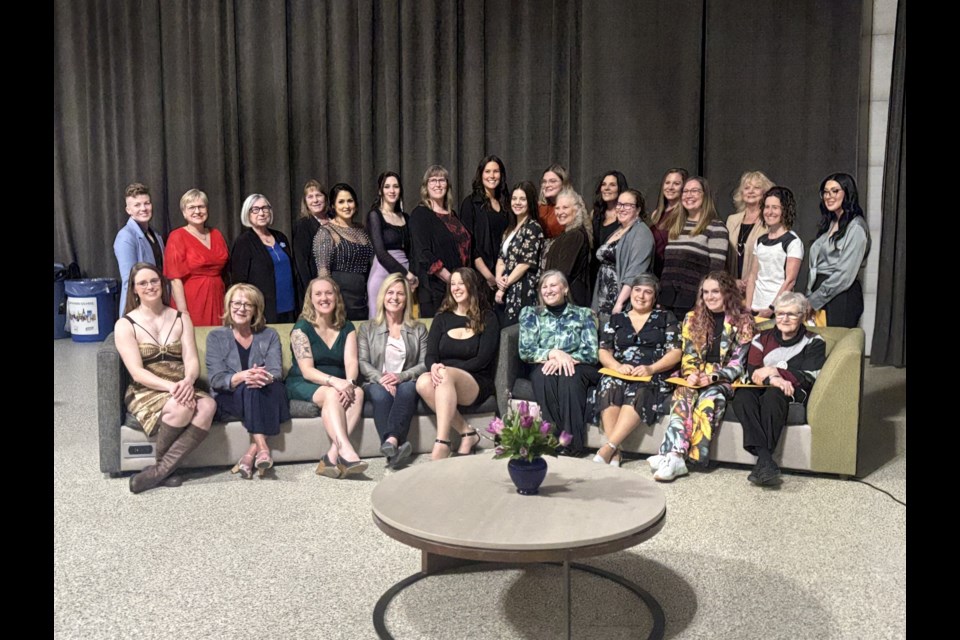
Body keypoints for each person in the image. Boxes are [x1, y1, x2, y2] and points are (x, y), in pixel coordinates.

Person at [114, 263, 216, 493]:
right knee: (181, 408)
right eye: (143, 283)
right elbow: (136, 372)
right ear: (134, 290)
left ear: (162, 283)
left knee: (208, 405)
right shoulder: (125, 324)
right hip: (146, 389)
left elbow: (191, 361)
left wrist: (188, 382)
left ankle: (159, 471)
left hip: (181, 384)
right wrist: (171, 388)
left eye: (154, 281)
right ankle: (166, 470)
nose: (150, 286)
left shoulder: (181, 318)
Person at [650, 271, 755, 481]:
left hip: (724, 378)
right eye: (705, 292)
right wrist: (691, 374)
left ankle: (688, 457)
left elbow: (739, 362)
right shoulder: (692, 318)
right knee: (683, 393)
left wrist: (714, 377)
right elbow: (689, 353)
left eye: (715, 291)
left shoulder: (744, 320)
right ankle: (674, 455)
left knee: (709, 399)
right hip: (697, 373)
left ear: (727, 292)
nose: (710, 296)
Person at [732, 292, 826, 485]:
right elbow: (752, 372)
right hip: (764, 386)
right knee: (742, 395)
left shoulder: (814, 341)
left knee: (774, 395)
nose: (784, 319)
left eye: (792, 314)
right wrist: (774, 378)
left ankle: (763, 459)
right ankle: (765, 459)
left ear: (802, 316)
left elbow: (809, 376)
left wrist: (773, 370)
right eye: (780, 313)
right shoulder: (761, 338)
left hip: (792, 391)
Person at [593, 274, 682, 466]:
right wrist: (617, 366)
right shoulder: (617, 319)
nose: (641, 296)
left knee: (639, 390)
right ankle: (615, 451)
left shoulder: (666, 318)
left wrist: (651, 368)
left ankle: (608, 448)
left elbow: (675, 352)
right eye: (637, 290)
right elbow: (603, 350)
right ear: (630, 292)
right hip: (620, 371)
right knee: (609, 384)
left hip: (652, 373)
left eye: (648, 292)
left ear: (655, 297)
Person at [286, 277, 368, 478]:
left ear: (336, 297)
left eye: (329, 293)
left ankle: (331, 456)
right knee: (332, 394)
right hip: (304, 381)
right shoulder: (300, 329)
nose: (324, 298)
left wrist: (349, 383)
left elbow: (351, 363)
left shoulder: (346, 327)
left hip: (338, 383)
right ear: (310, 299)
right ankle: (346, 450)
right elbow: (307, 370)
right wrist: (335, 382)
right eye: (318, 294)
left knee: (357, 392)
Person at [206, 284, 289, 479]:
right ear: (228, 306)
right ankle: (262, 448)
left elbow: (276, 371)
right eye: (236, 303)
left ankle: (251, 454)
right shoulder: (216, 337)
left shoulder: (269, 335)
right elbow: (217, 379)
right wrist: (244, 376)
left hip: (263, 389)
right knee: (250, 388)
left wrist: (261, 377)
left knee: (263, 389)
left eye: (247, 304)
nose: (241, 309)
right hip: (230, 396)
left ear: (256, 310)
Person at [416, 268, 500, 460]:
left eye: (461, 283)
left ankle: (442, 441)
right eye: (452, 284)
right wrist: (434, 367)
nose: (456, 288)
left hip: (475, 380)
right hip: (444, 379)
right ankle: (467, 433)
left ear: (472, 286)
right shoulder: (442, 318)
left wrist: (446, 370)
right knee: (422, 381)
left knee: (444, 376)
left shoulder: (488, 317)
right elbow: (430, 355)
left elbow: (482, 360)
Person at [518, 270, 599, 456]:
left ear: (565, 289)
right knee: (543, 375)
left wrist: (566, 359)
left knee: (569, 375)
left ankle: (573, 443)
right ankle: (553, 440)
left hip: (579, 365)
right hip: (545, 364)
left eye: (553, 285)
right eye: (544, 287)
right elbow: (526, 350)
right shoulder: (531, 314)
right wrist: (553, 353)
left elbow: (591, 352)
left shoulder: (584, 314)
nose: (548, 290)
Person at [358, 274, 428, 468]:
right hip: (375, 382)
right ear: (383, 296)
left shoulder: (419, 329)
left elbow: (424, 364)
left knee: (407, 390)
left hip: (407, 381)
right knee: (380, 395)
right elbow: (363, 362)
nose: (395, 298)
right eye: (390, 292)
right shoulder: (367, 328)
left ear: (407, 298)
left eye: (400, 293)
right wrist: (382, 379)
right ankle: (395, 443)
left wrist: (400, 377)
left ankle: (391, 445)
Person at [807, 172, 871, 328]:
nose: (829, 196)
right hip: (820, 292)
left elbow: (844, 275)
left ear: (847, 193)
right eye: (826, 192)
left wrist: (814, 300)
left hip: (841, 296)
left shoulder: (856, 227)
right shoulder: (829, 223)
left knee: (835, 346)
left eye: (835, 191)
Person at [658, 176, 728, 318]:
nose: (689, 195)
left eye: (695, 191)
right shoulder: (676, 226)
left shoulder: (716, 227)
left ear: (705, 195)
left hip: (693, 303)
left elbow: (715, 273)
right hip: (667, 300)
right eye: (685, 191)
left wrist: (702, 300)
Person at [408, 165, 473, 317]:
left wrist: (460, 284)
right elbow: (423, 254)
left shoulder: (453, 215)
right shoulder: (420, 214)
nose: (438, 184)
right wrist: (452, 280)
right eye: (433, 180)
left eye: (442, 180)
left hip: (459, 289)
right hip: (435, 290)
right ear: (426, 186)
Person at [163, 188, 229, 326]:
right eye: (191, 207)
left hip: (218, 297)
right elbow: (175, 280)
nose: (197, 211)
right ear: (184, 213)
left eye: (201, 207)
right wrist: (183, 312)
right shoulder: (177, 237)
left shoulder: (217, 234)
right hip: (192, 300)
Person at [230, 193, 297, 323]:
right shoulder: (243, 242)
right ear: (247, 214)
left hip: (288, 307)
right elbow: (239, 282)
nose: (261, 213)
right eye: (255, 210)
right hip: (262, 310)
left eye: (265, 208)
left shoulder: (280, 237)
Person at [592, 188, 654, 324]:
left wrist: (620, 303)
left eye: (627, 205)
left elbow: (635, 272)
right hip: (603, 298)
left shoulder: (642, 233)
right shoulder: (618, 230)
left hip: (620, 302)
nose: (621, 208)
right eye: (619, 204)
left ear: (638, 210)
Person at [312, 183, 374, 321]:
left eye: (350, 201)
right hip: (340, 298)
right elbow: (323, 272)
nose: (346, 206)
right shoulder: (326, 231)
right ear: (333, 206)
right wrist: (329, 300)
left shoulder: (362, 230)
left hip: (364, 297)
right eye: (341, 201)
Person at [744, 186, 803, 318]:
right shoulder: (760, 240)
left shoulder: (793, 242)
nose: (769, 212)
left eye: (775, 207)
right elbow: (753, 276)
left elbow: (790, 281)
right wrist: (748, 308)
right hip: (755, 308)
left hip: (778, 311)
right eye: (767, 207)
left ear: (785, 211)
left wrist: (771, 309)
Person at [365, 171, 418, 319]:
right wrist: (406, 274)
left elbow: (411, 250)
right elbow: (381, 254)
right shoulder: (375, 215)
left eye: (396, 186)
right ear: (380, 191)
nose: (392, 190)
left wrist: (411, 274)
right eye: (387, 186)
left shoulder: (405, 217)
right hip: (383, 272)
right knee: (379, 324)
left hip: (406, 274)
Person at [494, 181, 544, 326]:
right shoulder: (509, 229)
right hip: (505, 288)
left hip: (522, 290)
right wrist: (498, 279)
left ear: (530, 202)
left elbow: (525, 264)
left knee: (515, 333)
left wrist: (503, 286)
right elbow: (501, 259)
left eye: (522, 199)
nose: (517, 202)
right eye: (514, 199)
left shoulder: (533, 228)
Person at [460, 155, 510, 295]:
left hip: (506, 276)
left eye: (496, 171)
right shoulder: (470, 204)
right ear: (480, 175)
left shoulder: (507, 203)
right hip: (482, 277)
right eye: (487, 171)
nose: (492, 176)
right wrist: (489, 277)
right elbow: (470, 246)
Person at [113, 182, 166, 312]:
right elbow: (129, 282)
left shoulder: (155, 234)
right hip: (138, 310)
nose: (143, 208)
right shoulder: (125, 237)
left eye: (147, 203)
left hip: (157, 304)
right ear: (128, 210)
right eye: (137, 205)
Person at [541, 188, 592, 307]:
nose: (560, 212)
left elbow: (563, 273)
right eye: (557, 208)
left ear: (577, 210)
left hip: (569, 303)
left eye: (565, 207)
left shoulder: (575, 236)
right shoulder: (567, 234)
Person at [725, 171, 775, 287]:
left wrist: (751, 280)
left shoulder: (770, 221)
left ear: (765, 193)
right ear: (741, 193)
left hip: (760, 286)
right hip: (732, 288)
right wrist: (733, 281)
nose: (751, 191)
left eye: (756, 188)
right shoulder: (731, 220)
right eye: (747, 188)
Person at [648, 168, 689, 278]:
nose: (670, 187)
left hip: (671, 274)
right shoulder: (656, 214)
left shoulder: (687, 215)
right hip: (653, 272)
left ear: (684, 187)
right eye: (667, 183)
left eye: (676, 183)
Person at [292, 179, 329, 302]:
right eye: (310, 197)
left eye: (318, 195)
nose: (315, 200)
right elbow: (301, 262)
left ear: (325, 198)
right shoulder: (303, 225)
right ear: (305, 202)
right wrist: (311, 288)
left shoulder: (335, 219)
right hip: (315, 284)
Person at [591, 171, 630, 251]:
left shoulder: (627, 216)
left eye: (612, 185)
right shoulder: (595, 214)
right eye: (604, 184)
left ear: (620, 189)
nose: (606, 188)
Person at [537, 163, 573, 240]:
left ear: (564, 184)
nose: (547, 185)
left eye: (552, 181)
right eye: (544, 182)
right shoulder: (539, 208)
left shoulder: (572, 208)